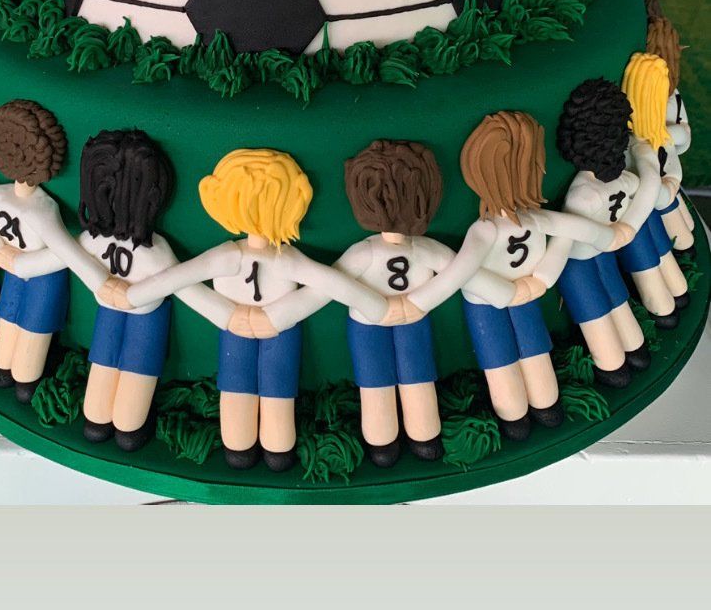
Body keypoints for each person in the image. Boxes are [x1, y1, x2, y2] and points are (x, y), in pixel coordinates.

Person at [97, 148, 387, 472]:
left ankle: (268, 449)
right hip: (242, 331)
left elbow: (327, 285)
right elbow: (179, 280)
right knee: (238, 392)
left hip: (277, 332)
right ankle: (248, 448)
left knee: (276, 391)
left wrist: (277, 316)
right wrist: (228, 315)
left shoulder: (277, 258)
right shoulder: (241, 257)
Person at [407, 111, 631, 440]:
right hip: (490, 302)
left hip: (524, 293)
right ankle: (515, 413)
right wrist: (507, 292)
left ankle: (542, 405)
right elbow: (462, 271)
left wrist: (542, 279)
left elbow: (569, 232)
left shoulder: (532, 219)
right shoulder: (487, 230)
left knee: (534, 349)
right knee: (499, 358)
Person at [337, 139, 520, 467]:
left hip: (411, 322)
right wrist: (379, 306)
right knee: (374, 379)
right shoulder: (366, 253)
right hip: (370, 325)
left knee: (416, 373)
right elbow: (334, 283)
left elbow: (459, 270)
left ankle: (423, 435)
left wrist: (417, 303)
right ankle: (382, 440)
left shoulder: (422, 249)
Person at [75, 129, 234, 453]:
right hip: (131, 316)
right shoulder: (152, 250)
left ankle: (114, 423)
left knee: (113, 411)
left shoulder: (95, 239)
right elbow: (185, 284)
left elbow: (66, 252)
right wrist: (226, 313)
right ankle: (119, 425)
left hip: (131, 317)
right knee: (108, 405)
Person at [0, 100, 96, 401]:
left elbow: (68, 253)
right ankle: (10, 369)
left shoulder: (40, 209)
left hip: (40, 277)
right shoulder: (4, 197)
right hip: (14, 270)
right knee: (7, 331)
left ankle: (27, 376)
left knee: (31, 340)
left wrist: (18, 262)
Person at [556, 77, 679, 377]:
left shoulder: (584, 193)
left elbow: (567, 230)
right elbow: (646, 186)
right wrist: (624, 229)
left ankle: (619, 359)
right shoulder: (624, 180)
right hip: (595, 256)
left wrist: (615, 234)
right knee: (606, 304)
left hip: (584, 259)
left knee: (610, 301)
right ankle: (625, 355)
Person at [619, 52, 689, 315]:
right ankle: (665, 297)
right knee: (653, 252)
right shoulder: (635, 145)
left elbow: (672, 159)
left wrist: (669, 185)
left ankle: (673, 287)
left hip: (651, 203)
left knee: (671, 244)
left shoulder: (657, 136)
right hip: (642, 209)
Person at [646, 16, 694, 252]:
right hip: (654, 179)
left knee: (688, 228)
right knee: (678, 238)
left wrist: (663, 134)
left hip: (669, 170)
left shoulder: (672, 99)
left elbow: (684, 133)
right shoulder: (640, 102)